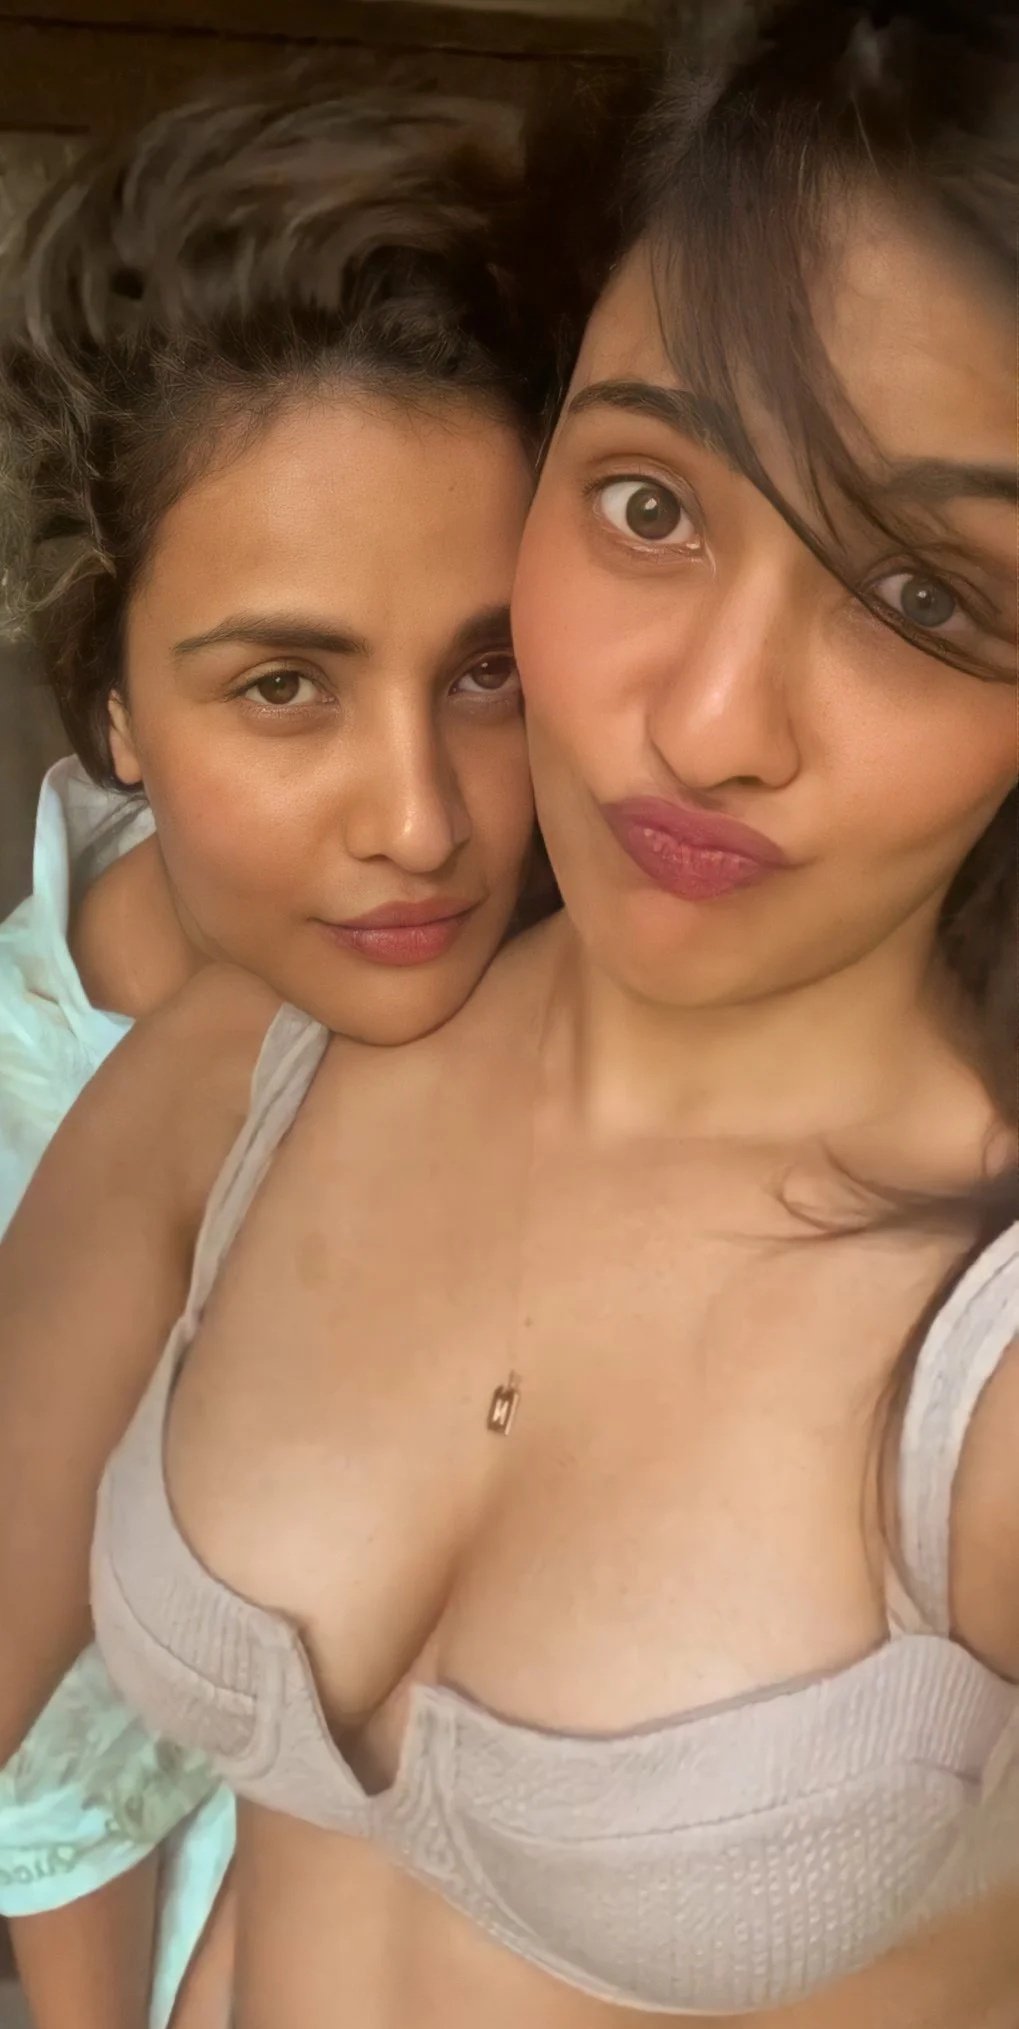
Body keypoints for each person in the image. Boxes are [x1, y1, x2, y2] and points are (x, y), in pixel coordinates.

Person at [2, 0, 1018, 2024]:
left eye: (923, 596)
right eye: (652, 504)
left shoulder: (979, 1364)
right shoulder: (252, 1072)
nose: (710, 723)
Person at [0, 74, 564, 2029]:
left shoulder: (595, 967)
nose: (420, 820)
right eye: (284, 684)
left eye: (489, 666)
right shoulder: (50, 1122)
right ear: (111, 706)